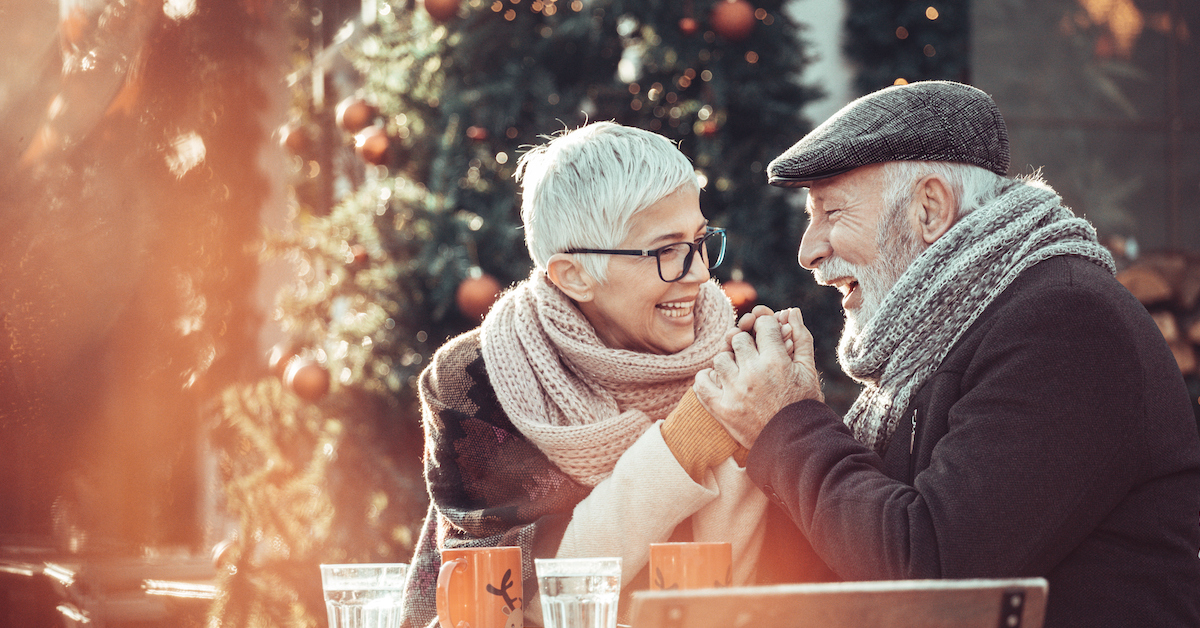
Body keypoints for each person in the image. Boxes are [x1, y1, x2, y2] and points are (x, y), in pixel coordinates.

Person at [694, 81, 1200, 627]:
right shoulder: (946, 333)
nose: (808, 250)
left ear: (930, 209)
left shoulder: (1069, 324)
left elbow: (930, 577)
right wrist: (789, 420)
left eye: (832, 212)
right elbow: (857, 562)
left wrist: (788, 424)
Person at [399, 122, 829, 628]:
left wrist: (793, 415)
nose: (696, 273)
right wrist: (684, 444)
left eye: (698, 241)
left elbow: (771, 585)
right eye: (665, 251)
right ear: (575, 275)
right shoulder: (474, 380)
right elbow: (509, 602)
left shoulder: (742, 362)